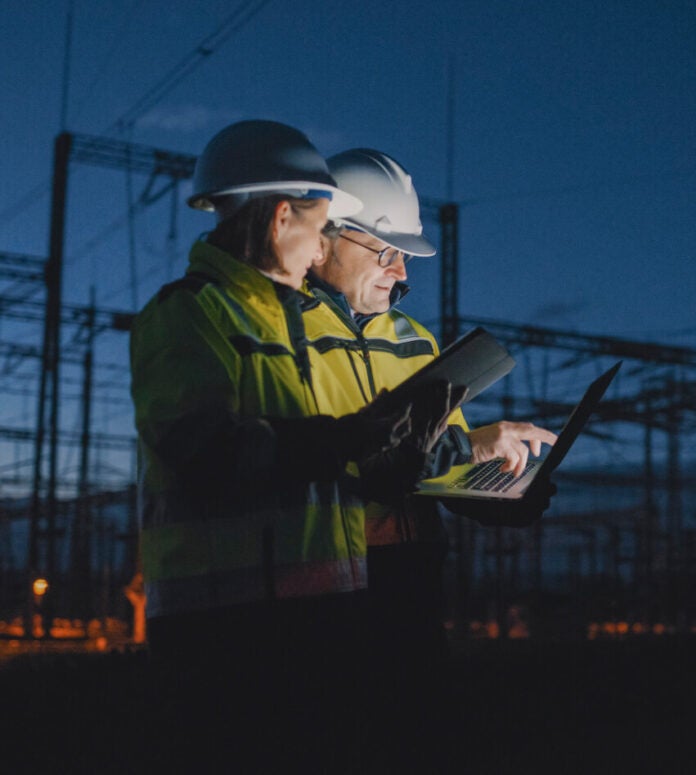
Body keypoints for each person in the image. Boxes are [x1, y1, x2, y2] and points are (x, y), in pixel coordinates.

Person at [129, 122, 458, 768]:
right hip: (222, 639)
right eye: (319, 227)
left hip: (319, 621)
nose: (318, 251)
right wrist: (349, 438)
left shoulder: (281, 322)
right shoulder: (189, 314)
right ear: (283, 219)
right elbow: (207, 455)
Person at [304, 147, 558, 770]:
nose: (399, 272)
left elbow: (441, 467)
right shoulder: (284, 338)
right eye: (383, 250)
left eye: (406, 257)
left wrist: (504, 492)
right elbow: (322, 459)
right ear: (326, 237)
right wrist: (469, 446)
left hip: (410, 586)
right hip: (324, 593)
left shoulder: (418, 343)